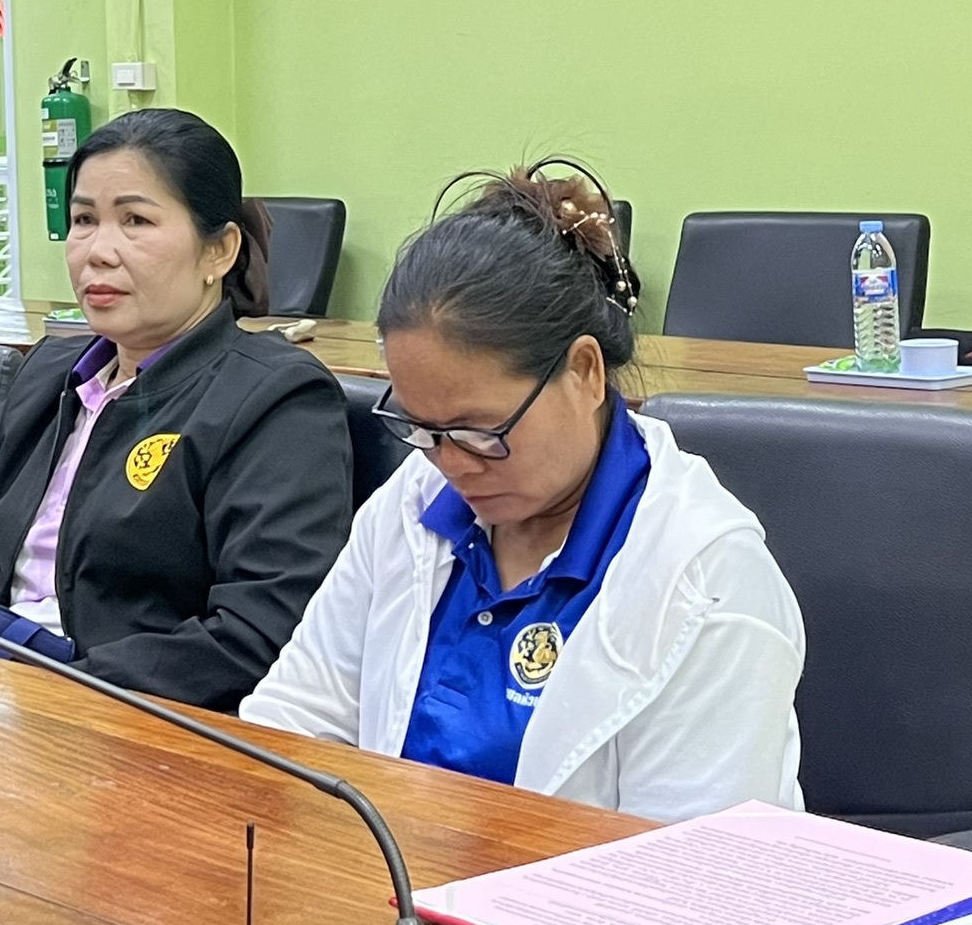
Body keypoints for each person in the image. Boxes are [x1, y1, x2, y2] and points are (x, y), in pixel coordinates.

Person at [241, 165, 805, 823]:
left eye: (483, 432)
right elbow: (292, 728)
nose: (452, 464)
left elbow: (688, 868)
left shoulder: (708, 582)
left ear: (585, 372)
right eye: (423, 430)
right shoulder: (415, 500)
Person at [0, 108, 351, 712]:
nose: (97, 252)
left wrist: (47, 690)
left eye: (136, 221)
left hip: (117, 714)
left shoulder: (277, 398)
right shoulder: (50, 371)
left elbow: (257, 635)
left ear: (219, 251)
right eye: (83, 220)